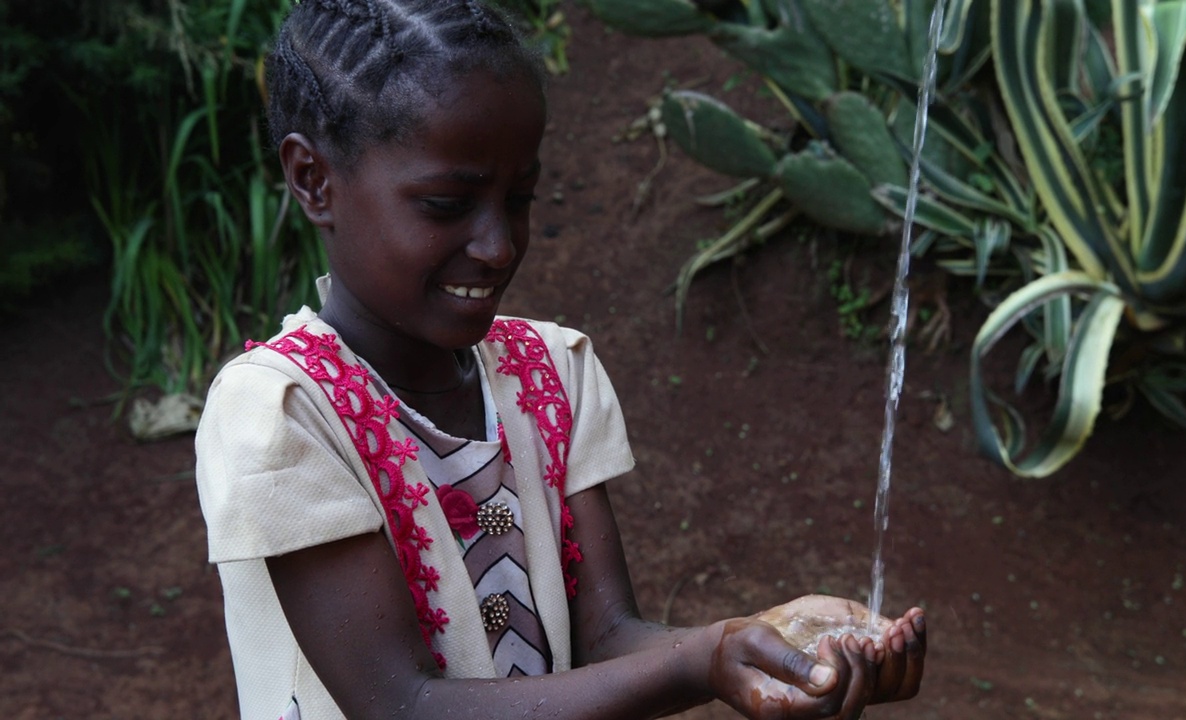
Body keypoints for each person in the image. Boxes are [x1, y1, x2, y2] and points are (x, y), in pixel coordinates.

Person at [194, 1, 926, 718]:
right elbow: (398, 702)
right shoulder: (283, 414)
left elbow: (607, 637)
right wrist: (704, 659)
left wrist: (766, 647)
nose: (498, 244)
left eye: (521, 198)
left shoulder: (550, 371)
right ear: (314, 180)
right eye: (448, 203)